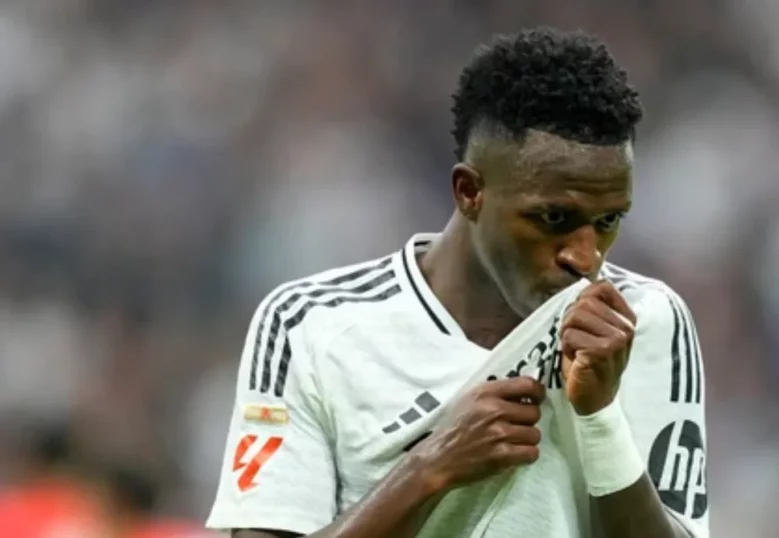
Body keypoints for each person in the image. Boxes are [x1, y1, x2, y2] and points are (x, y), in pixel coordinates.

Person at [206, 27, 709, 538]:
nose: (586, 256)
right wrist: (428, 468)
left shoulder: (645, 319)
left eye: (608, 222)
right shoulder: (309, 325)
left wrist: (601, 420)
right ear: (469, 192)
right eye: (554, 218)